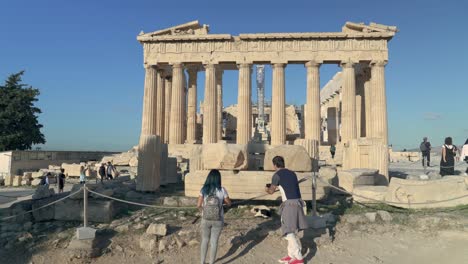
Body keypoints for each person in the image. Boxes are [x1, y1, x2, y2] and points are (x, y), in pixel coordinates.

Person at [265, 156, 308, 264]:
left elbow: (271, 191)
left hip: (289, 204)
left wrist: (266, 189)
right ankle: (291, 255)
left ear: (274, 165)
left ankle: (298, 258)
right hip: (298, 202)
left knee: (288, 231)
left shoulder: (276, 175)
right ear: (283, 163)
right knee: (291, 230)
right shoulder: (293, 173)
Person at [197, 169, 231, 264]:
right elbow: (229, 203)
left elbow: (198, 205)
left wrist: (203, 212)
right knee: (214, 241)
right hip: (218, 219)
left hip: (205, 218)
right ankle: (211, 262)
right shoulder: (222, 190)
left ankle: (202, 262)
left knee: (205, 240)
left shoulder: (203, 189)